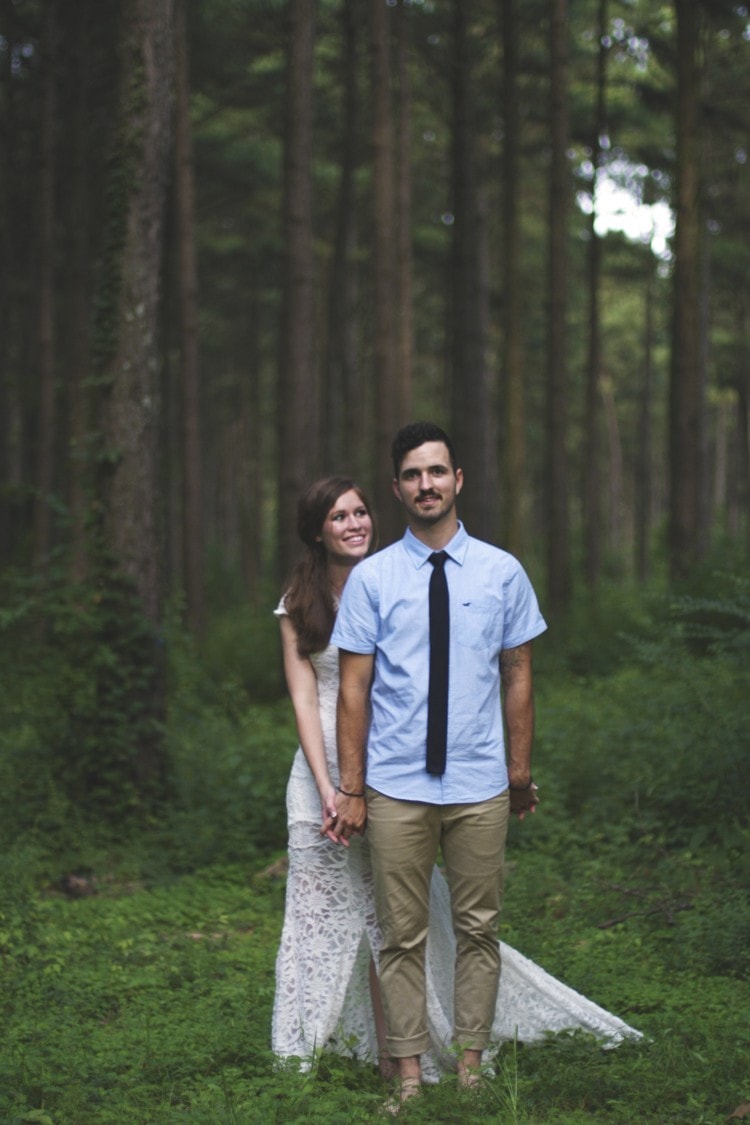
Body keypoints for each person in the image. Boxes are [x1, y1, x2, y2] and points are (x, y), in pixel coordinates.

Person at [273, 467, 640, 1088]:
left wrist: (503, 769)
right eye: (338, 516)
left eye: (359, 512)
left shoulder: (394, 578)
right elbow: (308, 700)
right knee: (321, 919)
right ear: (316, 532)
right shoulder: (301, 602)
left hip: (392, 766)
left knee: (394, 919)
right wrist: (332, 783)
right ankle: (300, 1052)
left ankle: (405, 1055)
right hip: (326, 770)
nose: (353, 523)